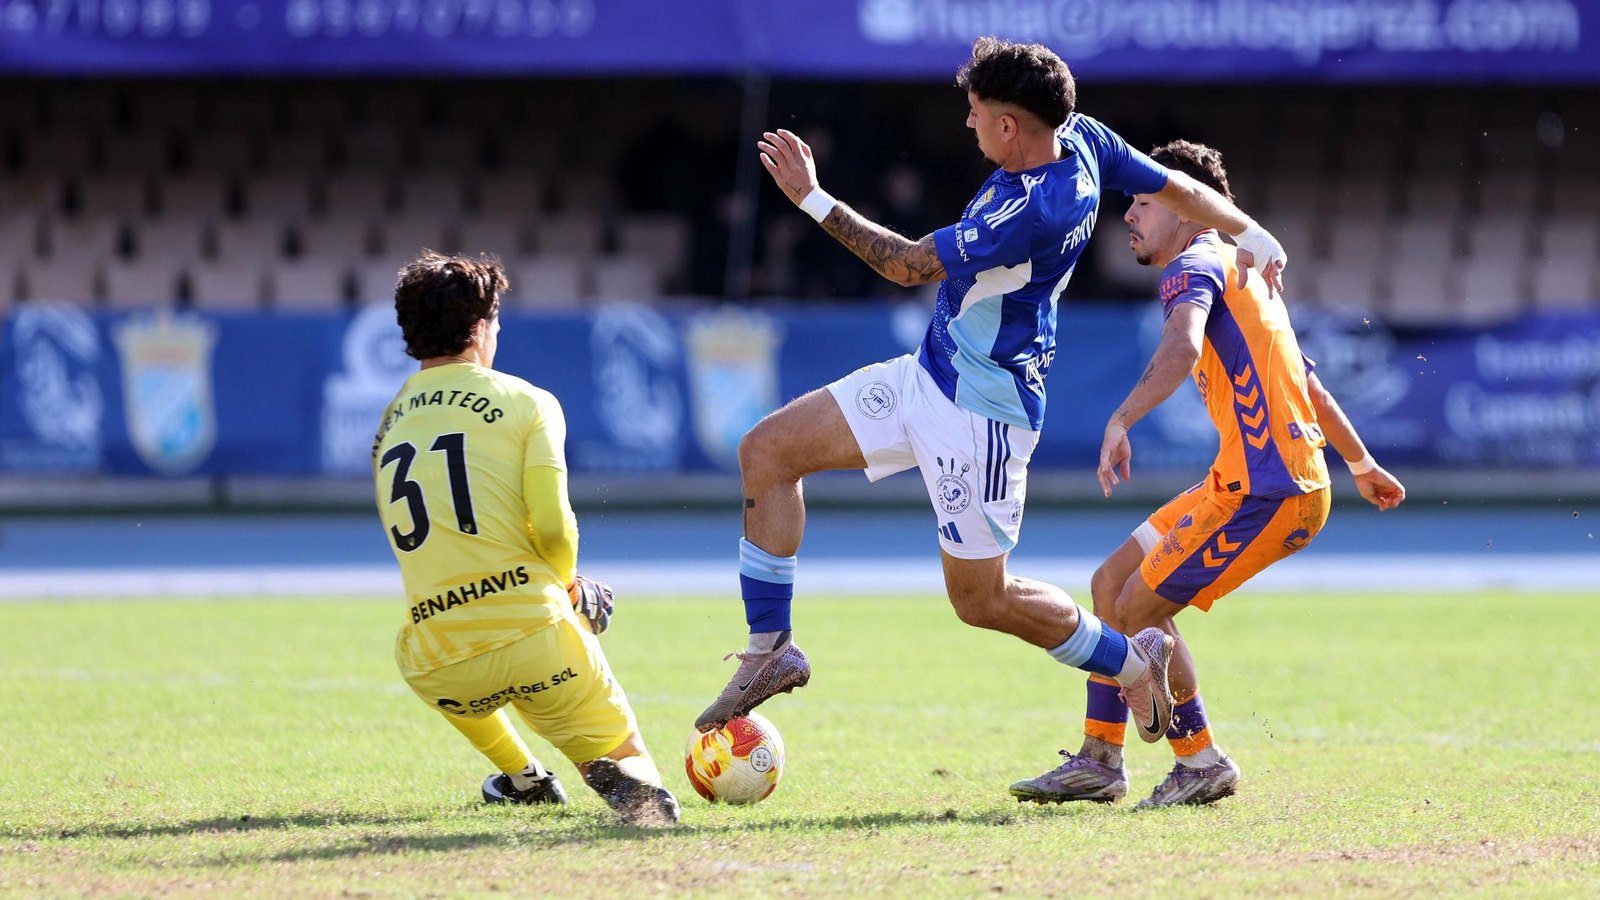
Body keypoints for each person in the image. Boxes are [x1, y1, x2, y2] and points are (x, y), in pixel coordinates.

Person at [695, 38, 1291, 743]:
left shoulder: (1032, 209)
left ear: (1010, 125)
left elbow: (911, 265)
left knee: (982, 600)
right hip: (930, 373)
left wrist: (812, 198)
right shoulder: (1086, 139)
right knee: (766, 451)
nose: (968, 125)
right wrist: (1250, 230)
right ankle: (770, 651)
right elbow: (1177, 185)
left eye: (976, 113)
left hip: (982, 417)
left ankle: (1132, 661)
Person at [1008, 141, 1407, 809]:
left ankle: (1200, 761)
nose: (1128, 215)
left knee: (1139, 608)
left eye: (1142, 201)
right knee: (1111, 584)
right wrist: (1362, 464)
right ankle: (1101, 759)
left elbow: (1183, 343)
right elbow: (1307, 385)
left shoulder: (1191, 267)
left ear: (1190, 211)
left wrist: (1122, 418)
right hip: (1246, 481)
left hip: (1269, 493)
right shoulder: (1246, 269)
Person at [371, 251, 679, 826]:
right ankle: (620, 779)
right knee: (636, 773)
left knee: (422, 644)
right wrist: (568, 586)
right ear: (481, 328)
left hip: (440, 663)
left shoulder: (389, 423)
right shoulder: (527, 402)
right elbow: (554, 522)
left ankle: (524, 778)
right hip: (536, 638)